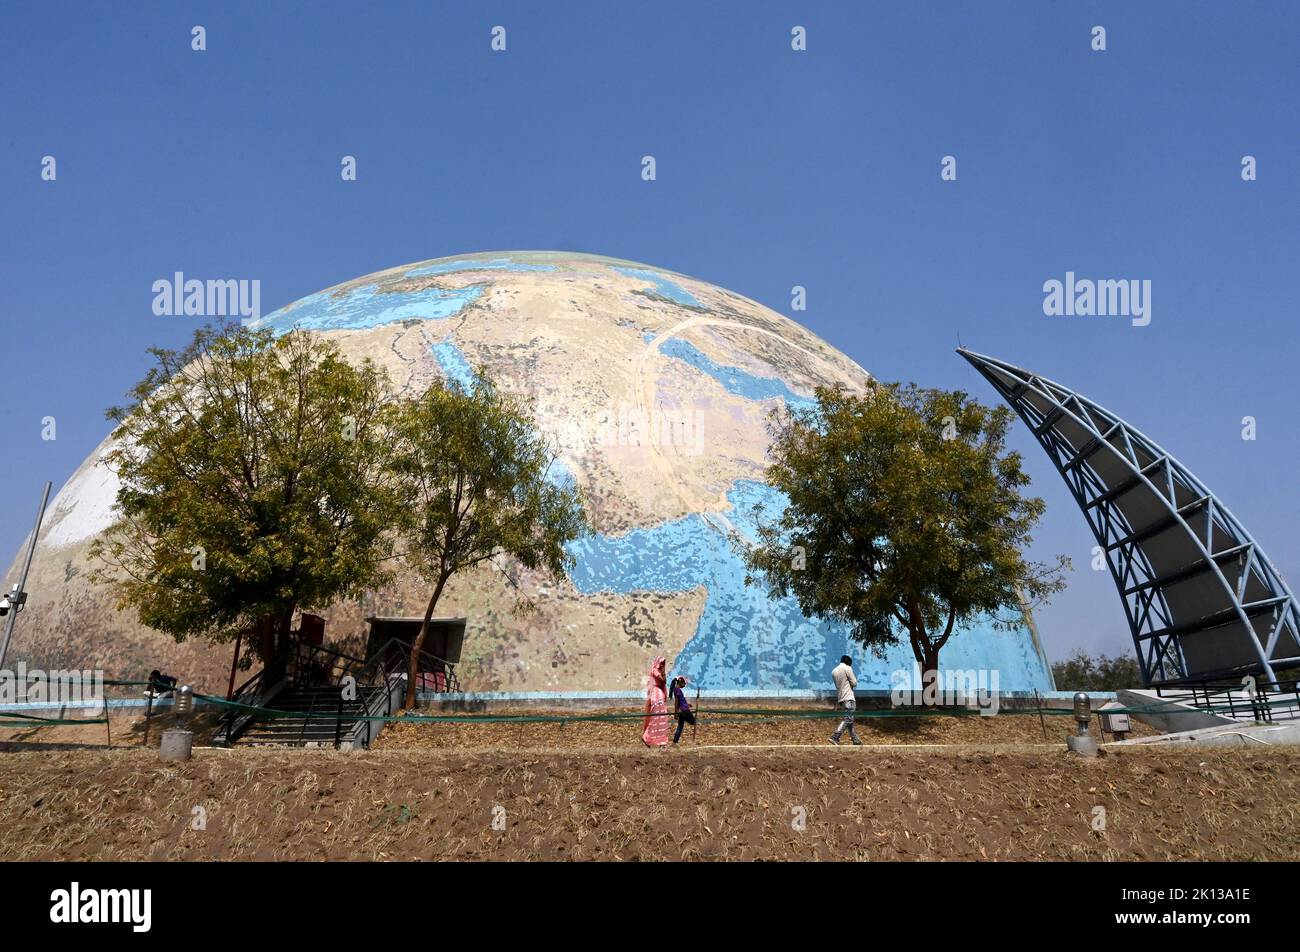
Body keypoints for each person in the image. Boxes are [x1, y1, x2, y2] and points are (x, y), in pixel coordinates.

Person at [829, 655, 862, 746]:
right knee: (848, 718)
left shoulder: (834, 671)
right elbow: (854, 683)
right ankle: (835, 737)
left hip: (841, 698)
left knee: (850, 719)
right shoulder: (847, 668)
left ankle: (855, 739)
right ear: (849, 663)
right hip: (849, 697)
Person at [642, 656, 671, 748]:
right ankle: (647, 737)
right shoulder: (655, 671)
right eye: (661, 663)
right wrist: (663, 671)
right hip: (656, 695)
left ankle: (662, 741)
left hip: (660, 695)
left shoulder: (660, 672)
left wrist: (663, 671)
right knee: (656, 718)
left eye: (664, 663)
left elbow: (664, 681)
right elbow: (663, 680)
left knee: (662, 718)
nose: (662, 665)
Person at [670, 675, 695, 744]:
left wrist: (687, 705)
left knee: (680, 726)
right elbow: (677, 702)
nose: (684, 685)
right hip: (684, 711)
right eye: (684, 684)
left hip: (683, 709)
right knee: (694, 722)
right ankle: (693, 741)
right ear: (680, 682)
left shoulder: (677, 689)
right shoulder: (677, 690)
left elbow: (681, 701)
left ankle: (675, 742)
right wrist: (676, 713)